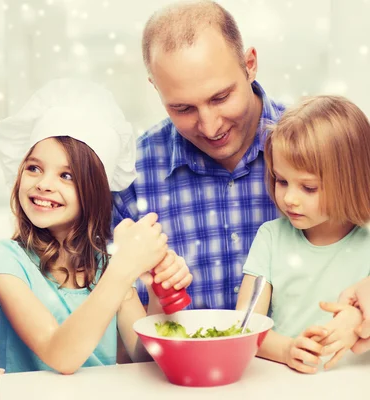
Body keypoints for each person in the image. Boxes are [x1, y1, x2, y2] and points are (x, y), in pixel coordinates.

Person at [0, 79, 193, 374]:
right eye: (34, 168)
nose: (44, 184)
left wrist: (159, 292)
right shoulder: (5, 262)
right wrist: (123, 269)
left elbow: (145, 359)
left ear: (94, 191)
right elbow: (60, 356)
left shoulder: (105, 267)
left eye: (66, 175)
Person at [112, 0, 285, 310]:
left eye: (220, 97)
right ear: (156, 88)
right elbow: (117, 325)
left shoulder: (323, 145)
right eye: (183, 108)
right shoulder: (130, 174)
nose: (209, 126)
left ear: (250, 64)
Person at [236, 95, 370, 373]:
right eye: (281, 181)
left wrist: (357, 323)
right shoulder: (271, 238)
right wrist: (286, 350)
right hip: (289, 384)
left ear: (353, 181)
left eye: (308, 188)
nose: (289, 199)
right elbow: (245, 325)